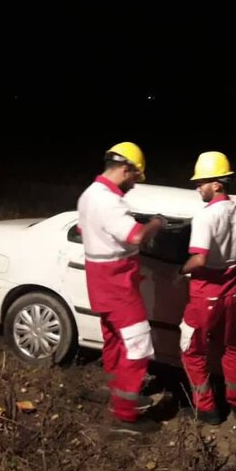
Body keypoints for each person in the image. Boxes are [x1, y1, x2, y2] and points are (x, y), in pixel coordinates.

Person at [77, 142, 164, 434]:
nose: (134, 185)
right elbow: (135, 236)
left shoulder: (90, 194)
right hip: (118, 285)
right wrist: (155, 224)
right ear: (125, 169)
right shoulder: (109, 201)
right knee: (139, 346)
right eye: (135, 178)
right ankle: (125, 415)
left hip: (100, 284)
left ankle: (117, 393)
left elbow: (86, 229)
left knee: (114, 340)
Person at [179, 151, 236, 425]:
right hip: (231, 292)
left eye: (202, 182)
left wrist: (180, 270)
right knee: (232, 349)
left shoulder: (205, 217)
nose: (197, 187)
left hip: (205, 294)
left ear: (217, 184)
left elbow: (199, 258)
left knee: (192, 351)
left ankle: (207, 409)